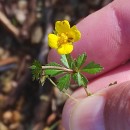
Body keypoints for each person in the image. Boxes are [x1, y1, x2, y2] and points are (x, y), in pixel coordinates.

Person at [48, 0, 130, 129]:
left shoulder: (72, 37)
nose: (62, 37)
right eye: (60, 36)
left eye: (64, 36)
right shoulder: (60, 43)